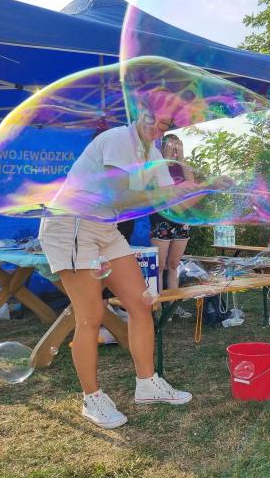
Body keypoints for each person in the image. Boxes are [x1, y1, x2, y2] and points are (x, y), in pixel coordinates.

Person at [38, 103, 224, 429]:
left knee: (142, 301)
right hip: (72, 224)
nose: (157, 127)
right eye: (153, 118)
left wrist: (207, 187)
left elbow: (173, 204)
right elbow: (121, 198)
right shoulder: (117, 139)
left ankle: (147, 383)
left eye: (164, 123)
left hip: (104, 228)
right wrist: (173, 190)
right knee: (91, 317)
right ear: (140, 112)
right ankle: (91, 398)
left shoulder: (152, 152)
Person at [150, 133, 193, 318]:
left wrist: (181, 159)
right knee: (159, 266)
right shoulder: (157, 165)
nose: (174, 149)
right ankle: (159, 307)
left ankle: (174, 306)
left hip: (181, 220)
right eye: (171, 145)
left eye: (177, 146)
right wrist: (164, 158)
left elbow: (191, 185)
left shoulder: (183, 167)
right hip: (161, 219)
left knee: (174, 264)